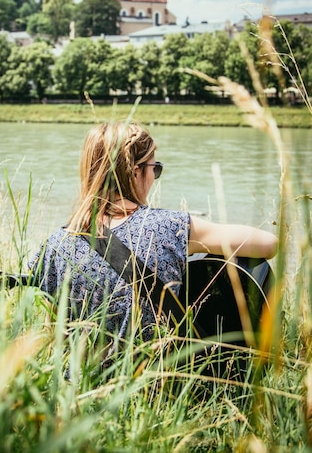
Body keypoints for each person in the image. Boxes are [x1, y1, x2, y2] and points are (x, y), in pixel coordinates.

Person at [29, 121, 277, 343]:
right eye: (154, 168)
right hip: (158, 385)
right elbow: (268, 244)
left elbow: (58, 332)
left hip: (85, 386)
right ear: (136, 171)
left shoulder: (55, 245)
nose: (154, 176)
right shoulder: (169, 226)